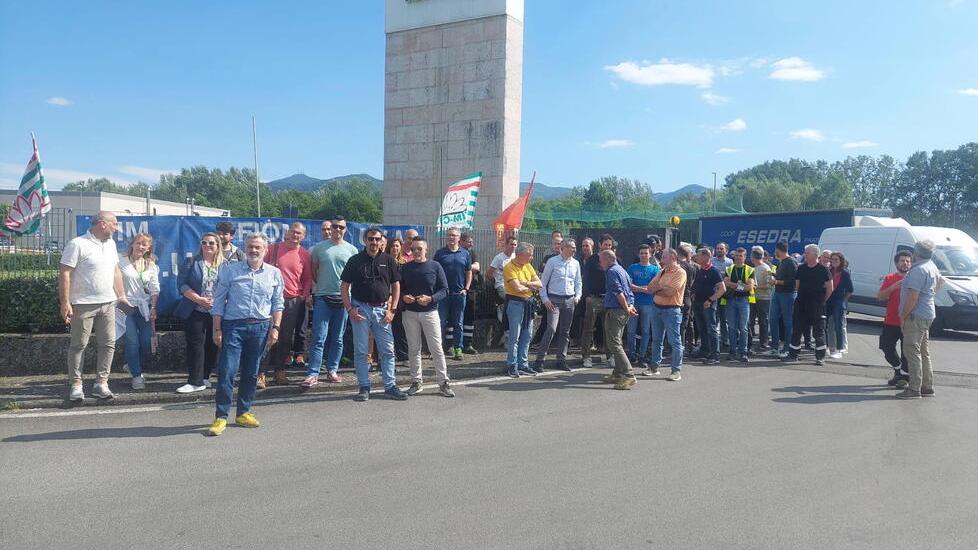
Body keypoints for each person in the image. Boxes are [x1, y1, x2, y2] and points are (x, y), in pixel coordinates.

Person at [205, 233, 284, 436]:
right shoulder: (230, 271)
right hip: (233, 327)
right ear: (245, 248)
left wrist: (275, 328)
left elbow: (277, 304)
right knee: (227, 372)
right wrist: (217, 329)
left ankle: (243, 413)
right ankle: (221, 417)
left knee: (251, 373)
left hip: (261, 328)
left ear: (265, 250)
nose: (253, 250)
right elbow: (218, 304)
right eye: (250, 246)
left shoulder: (274, 274)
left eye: (258, 247)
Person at [59, 211, 130, 402]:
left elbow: (116, 271)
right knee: (78, 345)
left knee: (108, 344)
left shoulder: (111, 244)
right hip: (82, 305)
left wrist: (121, 295)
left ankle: (102, 383)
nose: (116, 228)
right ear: (102, 224)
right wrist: (65, 302)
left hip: (108, 304)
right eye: (114, 224)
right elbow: (65, 273)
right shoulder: (77, 244)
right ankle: (76, 385)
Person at [341, 226, 409, 402]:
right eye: (370, 239)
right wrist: (349, 309)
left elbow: (396, 286)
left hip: (382, 310)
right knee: (362, 351)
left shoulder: (389, 260)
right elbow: (344, 286)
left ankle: (390, 386)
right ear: (365, 240)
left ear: (381, 241)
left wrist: (392, 309)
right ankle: (364, 387)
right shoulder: (355, 260)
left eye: (377, 239)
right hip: (360, 309)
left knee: (387, 350)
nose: (374, 242)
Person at [303, 217, 358, 387]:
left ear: (345, 229)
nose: (337, 229)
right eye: (335, 226)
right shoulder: (319, 249)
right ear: (330, 228)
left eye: (341, 227)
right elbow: (313, 272)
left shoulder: (352, 250)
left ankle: (332, 370)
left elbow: (355, 277)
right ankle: (313, 373)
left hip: (343, 299)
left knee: (338, 338)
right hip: (323, 297)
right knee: (319, 337)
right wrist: (313, 293)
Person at [399, 237, 455, 397]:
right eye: (414, 248)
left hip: (430, 313)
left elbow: (445, 290)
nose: (416, 251)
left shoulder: (435, 266)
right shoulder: (405, 268)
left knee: (436, 348)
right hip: (410, 313)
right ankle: (416, 382)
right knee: (414, 349)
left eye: (419, 249)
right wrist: (404, 297)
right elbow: (398, 289)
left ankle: (443, 382)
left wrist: (430, 299)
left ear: (426, 250)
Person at [262, 222, 313, 387]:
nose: (295, 235)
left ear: (303, 236)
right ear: (287, 232)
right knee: (266, 337)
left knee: (285, 338)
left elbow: (307, 279)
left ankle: (279, 371)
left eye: (299, 233)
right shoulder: (272, 249)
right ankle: (260, 374)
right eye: (293, 231)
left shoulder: (304, 255)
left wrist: (303, 296)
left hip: (292, 301)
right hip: (270, 300)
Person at [174, 232, 224, 393]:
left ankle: (205, 377)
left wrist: (218, 301)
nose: (207, 245)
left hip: (216, 311)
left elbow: (230, 288)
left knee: (212, 345)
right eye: (204, 242)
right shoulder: (191, 262)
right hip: (195, 309)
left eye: (211, 243)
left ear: (218, 246)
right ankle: (194, 381)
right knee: (196, 344)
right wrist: (198, 299)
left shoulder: (226, 265)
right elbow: (181, 284)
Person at [895, 240, 941, 399]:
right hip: (927, 313)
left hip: (916, 315)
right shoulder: (931, 266)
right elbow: (940, 282)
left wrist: (903, 316)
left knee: (911, 351)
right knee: (923, 351)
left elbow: (913, 297)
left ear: (916, 253)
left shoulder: (918, 270)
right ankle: (927, 386)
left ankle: (914, 389)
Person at [119, 233, 160, 390]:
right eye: (138, 243)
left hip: (144, 307)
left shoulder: (151, 265)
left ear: (149, 248)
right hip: (124, 306)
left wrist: (153, 307)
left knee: (146, 343)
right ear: (132, 244)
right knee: (132, 341)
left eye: (145, 244)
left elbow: (155, 289)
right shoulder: (120, 261)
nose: (141, 247)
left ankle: (131, 364)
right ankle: (137, 376)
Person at [535, 238, 582, 372]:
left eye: (574, 247)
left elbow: (578, 282)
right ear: (563, 247)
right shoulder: (552, 261)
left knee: (565, 332)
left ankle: (561, 359)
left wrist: (577, 296)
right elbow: (542, 283)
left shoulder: (576, 263)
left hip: (569, 300)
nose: (573, 249)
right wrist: (545, 300)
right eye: (571, 247)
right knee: (551, 329)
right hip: (554, 300)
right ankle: (540, 360)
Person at [783, 244, 833, 365]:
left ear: (815, 255)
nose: (805, 254)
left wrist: (821, 301)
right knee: (797, 330)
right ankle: (793, 354)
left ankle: (820, 357)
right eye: (805, 253)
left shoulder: (823, 270)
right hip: (801, 304)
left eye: (807, 253)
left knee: (818, 332)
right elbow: (797, 285)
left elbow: (830, 288)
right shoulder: (801, 269)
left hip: (817, 306)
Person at [646, 248, 687, 380]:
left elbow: (671, 292)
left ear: (673, 258)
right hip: (656, 308)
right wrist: (660, 288)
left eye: (664, 257)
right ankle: (654, 367)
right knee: (657, 340)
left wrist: (657, 289)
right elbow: (649, 287)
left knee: (675, 341)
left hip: (672, 309)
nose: (662, 259)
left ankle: (676, 370)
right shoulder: (661, 271)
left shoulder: (680, 273)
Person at [600, 250, 639, 390]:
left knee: (614, 344)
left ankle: (628, 375)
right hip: (622, 310)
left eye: (601, 260)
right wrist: (630, 306)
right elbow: (630, 290)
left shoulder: (611, 272)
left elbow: (619, 292)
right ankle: (617, 373)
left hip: (616, 311)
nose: (600, 263)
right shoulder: (622, 270)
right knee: (615, 342)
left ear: (608, 259)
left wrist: (626, 307)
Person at [503, 243, 542, 377]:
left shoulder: (528, 266)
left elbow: (539, 284)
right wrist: (531, 286)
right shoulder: (509, 267)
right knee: (515, 336)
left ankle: (523, 364)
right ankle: (512, 365)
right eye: (529, 255)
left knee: (527, 335)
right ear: (520, 254)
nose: (531, 257)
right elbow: (516, 288)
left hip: (528, 303)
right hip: (515, 303)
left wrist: (525, 283)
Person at [433, 227, 472, 361]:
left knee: (458, 323)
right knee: (440, 322)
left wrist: (466, 288)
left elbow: (469, 272)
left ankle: (458, 348)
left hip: (459, 294)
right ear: (446, 237)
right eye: (449, 235)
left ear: (459, 238)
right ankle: (438, 349)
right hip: (443, 294)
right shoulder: (440, 253)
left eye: (454, 235)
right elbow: (435, 273)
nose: (451, 238)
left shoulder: (465, 253)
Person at [878, 251, 912, 388]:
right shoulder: (890, 278)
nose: (905, 263)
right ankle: (898, 370)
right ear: (897, 263)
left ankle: (904, 378)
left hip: (909, 321)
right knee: (886, 346)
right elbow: (880, 297)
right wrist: (894, 286)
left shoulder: (915, 278)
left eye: (908, 261)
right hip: (891, 321)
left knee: (906, 352)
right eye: (903, 260)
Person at [581, 234, 615, 367]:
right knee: (588, 328)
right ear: (600, 245)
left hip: (609, 299)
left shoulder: (615, 260)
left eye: (610, 245)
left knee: (609, 329)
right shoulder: (592, 260)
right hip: (593, 298)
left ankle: (610, 356)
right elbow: (586, 279)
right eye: (605, 244)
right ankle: (586, 357)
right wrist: (588, 296)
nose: (607, 247)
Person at [626, 244, 660, 369]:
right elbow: (628, 284)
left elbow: (654, 287)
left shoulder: (655, 269)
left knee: (646, 331)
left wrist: (643, 289)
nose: (644, 255)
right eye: (642, 253)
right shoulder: (632, 267)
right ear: (638, 254)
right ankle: (631, 354)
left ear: (650, 254)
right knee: (631, 331)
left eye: (646, 253)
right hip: (633, 303)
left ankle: (642, 356)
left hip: (648, 304)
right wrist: (643, 289)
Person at [691, 247, 725, 365]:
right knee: (702, 328)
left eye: (699, 255)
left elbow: (722, 289)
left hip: (708, 304)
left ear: (706, 256)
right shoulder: (700, 270)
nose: (696, 257)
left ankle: (715, 354)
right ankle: (704, 350)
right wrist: (694, 294)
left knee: (711, 328)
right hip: (698, 303)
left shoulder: (713, 271)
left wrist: (710, 300)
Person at [721, 247, 756, 363]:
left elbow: (749, 287)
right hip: (731, 300)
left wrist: (733, 285)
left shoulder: (750, 270)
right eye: (736, 255)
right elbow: (725, 283)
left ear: (745, 257)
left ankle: (743, 352)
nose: (738, 258)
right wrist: (739, 286)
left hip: (744, 301)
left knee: (743, 327)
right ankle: (732, 351)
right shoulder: (729, 268)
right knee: (731, 327)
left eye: (740, 256)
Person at [768, 241, 798, 357]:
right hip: (778, 293)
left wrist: (776, 281)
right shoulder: (781, 262)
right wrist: (773, 274)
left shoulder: (791, 262)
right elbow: (782, 277)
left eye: (776, 250)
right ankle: (774, 348)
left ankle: (787, 349)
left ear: (778, 250)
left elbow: (793, 282)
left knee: (788, 322)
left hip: (788, 294)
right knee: (773, 319)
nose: (775, 252)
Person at [487, 236, 518, 346]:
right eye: (511, 244)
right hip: (502, 286)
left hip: (514, 285)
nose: (513, 247)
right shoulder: (499, 258)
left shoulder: (516, 257)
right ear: (506, 245)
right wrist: (496, 282)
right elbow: (489, 273)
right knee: (512, 300)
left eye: (515, 244)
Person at [826, 251, 854, 359]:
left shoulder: (845, 273)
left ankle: (839, 349)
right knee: (829, 326)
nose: (833, 261)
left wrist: (843, 300)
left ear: (841, 261)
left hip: (838, 301)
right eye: (832, 259)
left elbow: (850, 289)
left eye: (836, 259)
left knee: (839, 326)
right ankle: (831, 347)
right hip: (829, 301)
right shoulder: (829, 271)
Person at [386, 237, 410, 362]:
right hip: (385, 299)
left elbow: (406, 284)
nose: (395, 248)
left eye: (397, 246)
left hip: (400, 301)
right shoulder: (384, 262)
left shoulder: (404, 264)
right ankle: (388, 355)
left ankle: (403, 355)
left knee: (400, 328)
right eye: (392, 246)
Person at [459, 233, 481, 354]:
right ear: (461, 241)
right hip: (458, 289)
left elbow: (477, 267)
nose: (471, 244)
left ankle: (468, 343)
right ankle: (454, 345)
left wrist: (464, 266)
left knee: (469, 317)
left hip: (471, 290)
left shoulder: (471, 253)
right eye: (469, 241)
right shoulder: (457, 252)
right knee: (456, 318)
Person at [750, 247, 773, 352]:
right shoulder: (753, 268)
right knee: (750, 321)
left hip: (763, 298)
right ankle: (749, 342)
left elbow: (769, 285)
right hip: (753, 298)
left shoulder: (765, 268)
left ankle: (764, 342)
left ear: (753, 257)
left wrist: (755, 287)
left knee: (763, 321)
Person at [677, 244, 699, 352]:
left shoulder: (679, 266)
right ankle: (687, 346)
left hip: (681, 297)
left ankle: (681, 347)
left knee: (681, 324)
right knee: (686, 323)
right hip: (688, 297)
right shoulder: (691, 267)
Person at [714, 242, 733, 350]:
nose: (719, 250)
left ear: (726, 251)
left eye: (721, 249)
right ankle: (715, 340)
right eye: (718, 248)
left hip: (725, 295)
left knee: (724, 318)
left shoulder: (730, 262)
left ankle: (725, 340)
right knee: (714, 318)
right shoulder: (712, 261)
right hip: (714, 294)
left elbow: (729, 278)